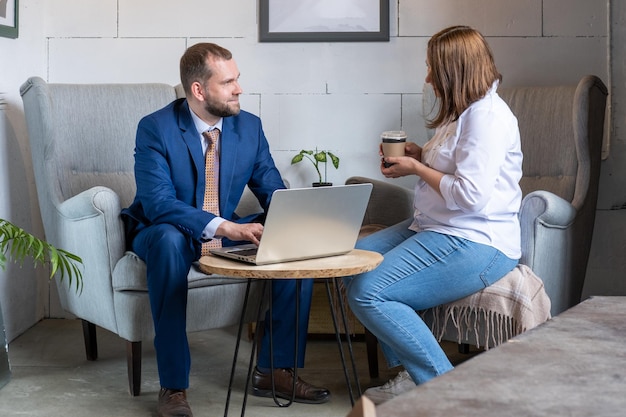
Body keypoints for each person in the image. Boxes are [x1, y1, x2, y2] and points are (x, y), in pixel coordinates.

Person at [121, 42, 330, 417]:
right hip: (163, 229)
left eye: (238, 79)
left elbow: (273, 189)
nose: (239, 89)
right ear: (199, 90)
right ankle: (173, 387)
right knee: (169, 242)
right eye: (229, 82)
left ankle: (273, 370)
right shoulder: (155, 128)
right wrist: (227, 227)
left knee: (291, 234)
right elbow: (158, 204)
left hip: (222, 230)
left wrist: (298, 222)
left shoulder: (248, 127)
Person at [344, 25, 523, 404]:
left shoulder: (487, 118)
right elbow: (457, 168)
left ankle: (442, 388)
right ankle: (413, 371)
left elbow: (472, 196)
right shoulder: (462, 113)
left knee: (368, 290)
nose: (427, 77)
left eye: (432, 69)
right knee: (350, 262)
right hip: (435, 227)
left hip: (477, 241)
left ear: (453, 71)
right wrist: (420, 154)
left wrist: (416, 169)